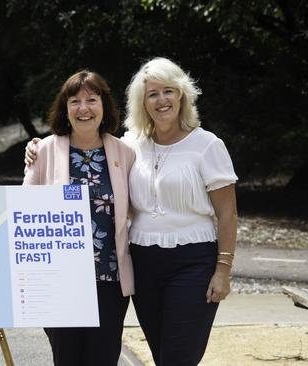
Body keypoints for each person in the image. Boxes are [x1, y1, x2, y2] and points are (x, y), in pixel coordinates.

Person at [26, 58, 238, 365]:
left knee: (178, 357)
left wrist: (223, 270)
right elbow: (31, 206)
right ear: (142, 102)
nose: (161, 100)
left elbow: (228, 215)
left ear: (182, 95)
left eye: (168, 91)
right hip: (142, 264)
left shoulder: (207, 145)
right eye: (152, 94)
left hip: (191, 261)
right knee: (161, 353)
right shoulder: (130, 147)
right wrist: (35, 146)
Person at [23, 70, 135, 366]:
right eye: (75, 101)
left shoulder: (125, 153)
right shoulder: (44, 150)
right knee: (67, 359)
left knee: (103, 359)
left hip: (109, 280)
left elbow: (138, 207)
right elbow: (24, 212)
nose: (83, 108)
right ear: (65, 108)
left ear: (104, 106)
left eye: (91, 100)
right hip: (60, 282)